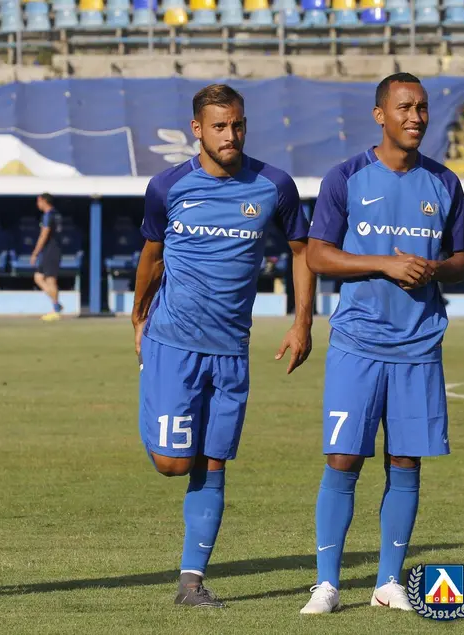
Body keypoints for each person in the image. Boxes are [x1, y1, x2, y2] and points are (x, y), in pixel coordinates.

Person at [132, 83, 316, 608]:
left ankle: (191, 584)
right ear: (198, 129)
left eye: (237, 125)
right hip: (173, 343)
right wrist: (138, 315)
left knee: (213, 463)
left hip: (232, 349)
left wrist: (302, 323)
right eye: (219, 126)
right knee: (173, 464)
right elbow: (152, 256)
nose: (230, 135)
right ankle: (158, 400)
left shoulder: (274, 185)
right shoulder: (168, 186)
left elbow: (302, 251)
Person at [300, 72, 464, 615]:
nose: (415, 117)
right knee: (343, 458)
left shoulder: (444, 182)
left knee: (405, 461)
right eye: (404, 108)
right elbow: (317, 255)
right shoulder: (346, 177)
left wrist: (433, 269)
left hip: (419, 346)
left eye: (421, 107)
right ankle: (326, 585)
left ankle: (387, 583)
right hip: (358, 340)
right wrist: (384, 263)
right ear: (380, 115)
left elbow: (463, 261)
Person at [30, 193, 63, 321]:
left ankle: (55, 310)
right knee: (38, 277)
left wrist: (35, 253)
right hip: (50, 250)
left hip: (51, 251)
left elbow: (44, 235)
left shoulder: (48, 215)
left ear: (44, 201)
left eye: (38, 201)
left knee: (50, 280)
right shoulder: (56, 214)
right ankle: (56, 304)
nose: (37, 204)